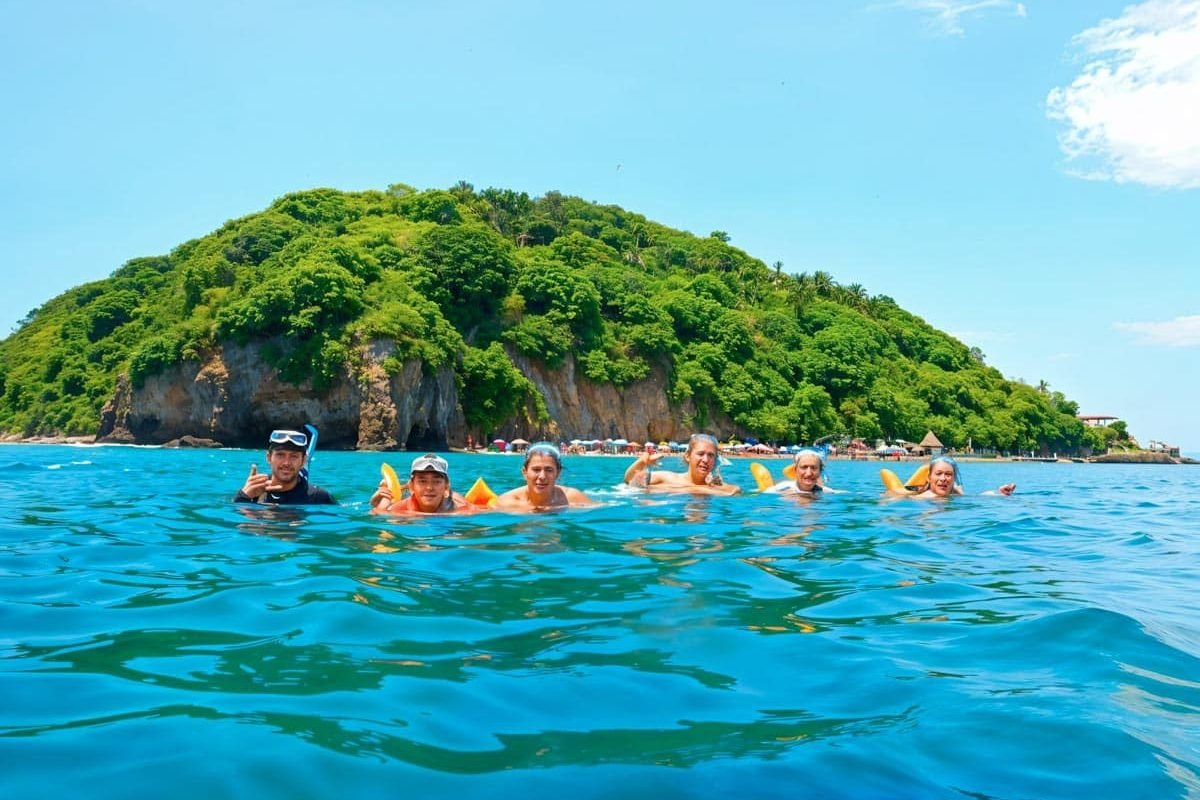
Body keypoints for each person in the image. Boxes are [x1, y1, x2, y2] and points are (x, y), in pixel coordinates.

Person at [234, 429, 336, 505]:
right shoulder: (253, 492)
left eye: (294, 456)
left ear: (303, 461)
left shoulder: (319, 497)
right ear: (269, 458)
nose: (286, 463)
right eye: (280, 455)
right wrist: (242, 497)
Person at [623, 433, 741, 495]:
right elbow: (630, 481)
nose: (705, 460)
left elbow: (736, 491)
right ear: (688, 456)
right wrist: (643, 461)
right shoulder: (668, 477)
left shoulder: (717, 485)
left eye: (711, 455)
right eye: (700, 454)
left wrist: (712, 487)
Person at [493, 442, 595, 511]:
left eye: (549, 470)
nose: (542, 476)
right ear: (524, 472)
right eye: (536, 469)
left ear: (558, 473)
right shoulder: (505, 503)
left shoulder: (573, 499)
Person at [370, 453, 471, 514]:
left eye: (436, 481)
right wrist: (383, 502)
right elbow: (377, 515)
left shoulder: (462, 510)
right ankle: (390, 488)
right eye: (422, 481)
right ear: (411, 486)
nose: (429, 487)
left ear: (446, 486)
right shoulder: (400, 509)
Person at [890, 456, 1016, 499]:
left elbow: (976, 497)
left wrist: (998, 493)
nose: (943, 478)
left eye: (948, 474)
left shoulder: (954, 495)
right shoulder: (919, 499)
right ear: (929, 477)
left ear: (954, 478)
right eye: (938, 474)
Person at [764, 448, 844, 496]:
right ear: (795, 470)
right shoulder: (779, 490)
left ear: (820, 471)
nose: (809, 473)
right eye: (804, 467)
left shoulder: (826, 492)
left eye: (814, 468)